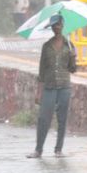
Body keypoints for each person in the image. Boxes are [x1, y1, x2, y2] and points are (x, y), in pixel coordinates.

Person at [29, 13, 76, 158]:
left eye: (58, 25)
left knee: (62, 119)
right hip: (49, 87)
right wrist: (39, 92)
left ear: (62, 25)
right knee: (43, 118)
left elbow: (72, 69)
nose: (56, 28)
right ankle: (38, 150)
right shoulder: (47, 46)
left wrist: (73, 58)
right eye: (54, 26)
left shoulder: (69, 46)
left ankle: (58, 150)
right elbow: (41, 71)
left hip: (64, 87)